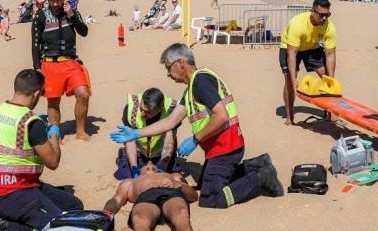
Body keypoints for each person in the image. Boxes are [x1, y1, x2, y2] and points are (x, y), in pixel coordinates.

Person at [110, 43, 283, 208]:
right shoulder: (192, 87)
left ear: (181, 63)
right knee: (203, 184)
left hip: (226, 148)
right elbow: (171, 121)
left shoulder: (200, 82)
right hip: (219, 148)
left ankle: (261, 177)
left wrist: (195, 139)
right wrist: (136, 133)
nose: (168, 74)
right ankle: (258, 164)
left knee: (211, 199)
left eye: (168, 67)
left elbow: (222, 116)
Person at [0, 69, 84, 231]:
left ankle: (7, 217)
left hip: (0, 189)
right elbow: (53, 162)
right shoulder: (30, 122)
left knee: (74, 206)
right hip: (16, 194)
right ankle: (5, 226)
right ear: (36, 93)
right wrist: (54, 134)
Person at [104, 162, 202, 231]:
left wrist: (178, 184)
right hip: (146, 196)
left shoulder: (173, 176)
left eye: (153, 163)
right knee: (138, 219)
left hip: (171, 193)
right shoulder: (130, 182)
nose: (149, 162)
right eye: (145, 164)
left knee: (181, 213)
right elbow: (117, 200)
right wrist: (106, 213)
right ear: (138, 171)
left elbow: (194, 195)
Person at [32, 0, 92, 141]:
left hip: (71, 62)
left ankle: (80, 131)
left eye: (59, 0)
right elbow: (35, 43)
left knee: (83, 94)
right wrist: (37, 66)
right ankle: (55, 135)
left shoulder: (72, 12)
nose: (56, 4)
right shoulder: (40, 15)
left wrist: (73, 16)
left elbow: (84, 32)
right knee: (53, 101)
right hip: (50, 64)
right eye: (53, 0)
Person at [280, 0, 337, 125]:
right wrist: (294, 80)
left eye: (327, 15)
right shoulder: (297, 23)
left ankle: (331, 111)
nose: (324, 18)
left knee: (328, 78)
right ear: (313, 12)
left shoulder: (329, 27)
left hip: (312, 47)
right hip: (290, 48)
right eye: (321, 15)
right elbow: (292, 54)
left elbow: (330, 54)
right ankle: (289, 116)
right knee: (290, 81)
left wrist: (330, 80)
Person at [114, 88, 180, 180]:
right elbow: (130, 140)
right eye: (141, 108)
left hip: (160, 153)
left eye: (148, 112)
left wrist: (162, 166)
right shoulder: (130, 109)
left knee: (167, 176)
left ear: (159, 110)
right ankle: (123, 154)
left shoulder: (172, 111)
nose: (142, 113)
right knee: (128, 176)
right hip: (139, 151)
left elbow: (169, 140)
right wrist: (134, 167)